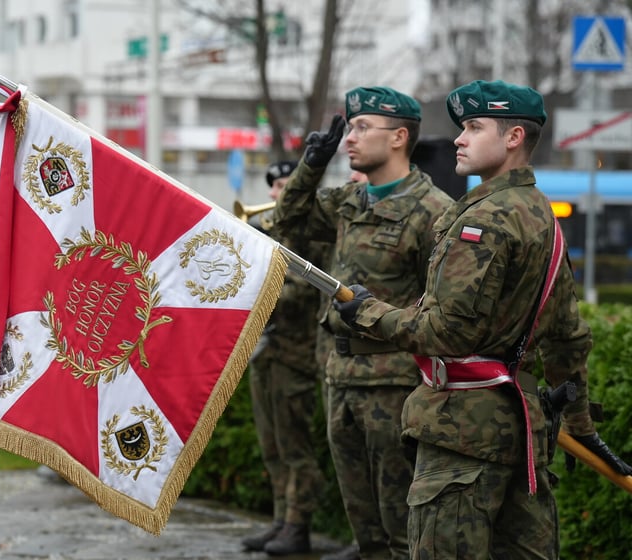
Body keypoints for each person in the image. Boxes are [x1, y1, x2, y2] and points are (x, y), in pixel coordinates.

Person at [333, 80, 632, 558]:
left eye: (474, 127)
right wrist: (579, 424)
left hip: (461, 438)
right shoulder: (540, 215)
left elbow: (446, 333)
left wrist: (366, 312)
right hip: (523, 433)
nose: (459, 138)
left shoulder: (484, 219)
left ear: (513, 138)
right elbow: (567, 337)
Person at [273, 86, 453, 560]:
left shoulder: (432, 211)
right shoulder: (350, 200)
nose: (350, 137)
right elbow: (287, 222)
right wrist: (311, 163)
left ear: (398, 137)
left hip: (395, 385)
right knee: (366, 533)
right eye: (349, 128)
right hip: (342, 377)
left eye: (361, 128)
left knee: (400, 531)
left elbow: (439, 308)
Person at [240, 160, 327, 556]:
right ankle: (279, 520)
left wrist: (259, 288)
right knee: (272, 447)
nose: (276, 194)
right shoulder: (273, 232)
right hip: (269, 355)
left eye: (285, 185)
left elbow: (304, 294)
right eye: (274, 186)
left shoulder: (313, 236)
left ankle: (297, 525)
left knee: (296, 449)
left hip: (297, 355)